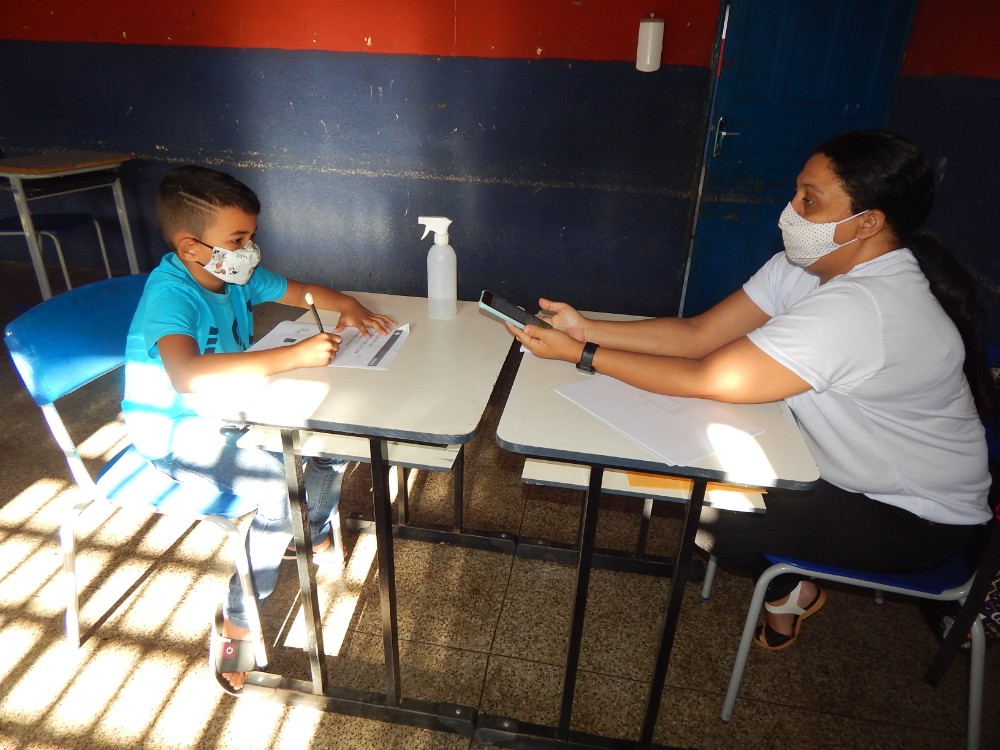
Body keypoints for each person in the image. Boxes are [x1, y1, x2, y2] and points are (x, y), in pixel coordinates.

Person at [508, 130, 994, 651]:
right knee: (706, 487)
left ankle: (792, 593)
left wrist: (579, 356)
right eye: (796, 193)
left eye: (811, 199)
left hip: (911, 514)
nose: (791, 211)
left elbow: (709, 377)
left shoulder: (864, 307)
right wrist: (587, 329)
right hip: (837, 468)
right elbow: (698, 335)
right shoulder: (805, 268)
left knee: (717, 523)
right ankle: (792, 581)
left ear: (869, 222)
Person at [122, 165, 395, 690]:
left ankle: (310, 532)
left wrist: (352, 307)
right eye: (239, 239)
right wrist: (292, 356)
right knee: (277, 492)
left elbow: (307, 292)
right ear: (192, 247)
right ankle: (237, 622)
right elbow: (186, 375)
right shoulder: (172, 294)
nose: (252, 250)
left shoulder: (232, 272)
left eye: (252, 236)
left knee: (333, 445)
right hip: (176, 434)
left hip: (235, 410)